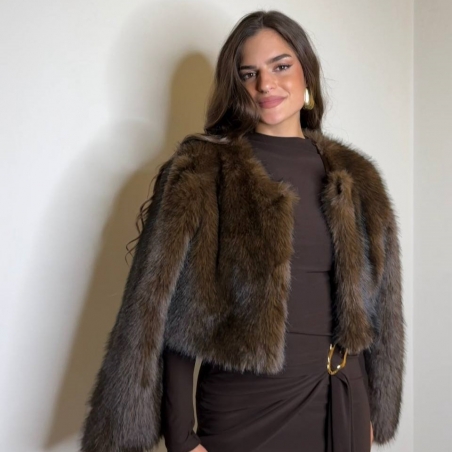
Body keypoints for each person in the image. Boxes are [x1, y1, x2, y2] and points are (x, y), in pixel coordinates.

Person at [80, 9, 406, 452]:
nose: (265, 84)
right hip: (243, 411)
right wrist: (183, 437)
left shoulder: (356, 175)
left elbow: (377, 308)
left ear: (306, 72)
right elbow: (168, 312)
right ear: (235, 87)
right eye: (248, 73)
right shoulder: (204, 170)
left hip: (341, 403)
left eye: (280, 66)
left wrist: (370, 412)